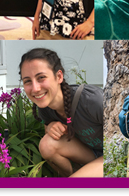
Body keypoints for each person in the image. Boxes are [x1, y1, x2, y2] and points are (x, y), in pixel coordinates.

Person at [19, 48, 103, 177]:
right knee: (47, 145)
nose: (35, 89)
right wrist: (50, 127)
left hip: (114, 156)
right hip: (90, 154)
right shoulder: (45, 107)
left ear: (59, 76)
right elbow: (50, 132)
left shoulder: (93, 100)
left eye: (41, 77)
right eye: (27, 81)